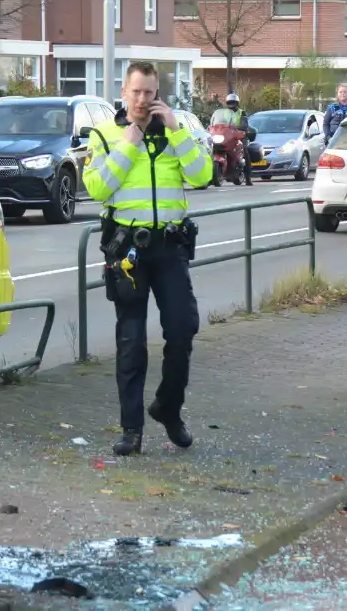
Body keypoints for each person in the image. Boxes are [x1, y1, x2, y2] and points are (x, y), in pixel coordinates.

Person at [83, 61, 213, 455]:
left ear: (158, 95)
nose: (143, 100)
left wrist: (176, 131)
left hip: (170, 247)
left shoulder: (177, 133)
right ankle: (132, 429)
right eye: (136, 92)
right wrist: (130, 142)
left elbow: (202, 175)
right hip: (128, 250)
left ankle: (168, 409)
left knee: (183, 326)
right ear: (124, 93)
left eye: (150, 93)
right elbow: (98, 187)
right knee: (131, 340)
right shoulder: (106, 135)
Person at [224, 93, 254, 186]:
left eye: (233, 103)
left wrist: (237, 127)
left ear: (237, 104)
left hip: (239, 135)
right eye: (229, 103)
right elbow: (218, 122)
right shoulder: (224, 113)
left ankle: (248, 178)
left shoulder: (242, 112)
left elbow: (244, 124)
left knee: (245, 152)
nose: (231, 105)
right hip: (227, 135)